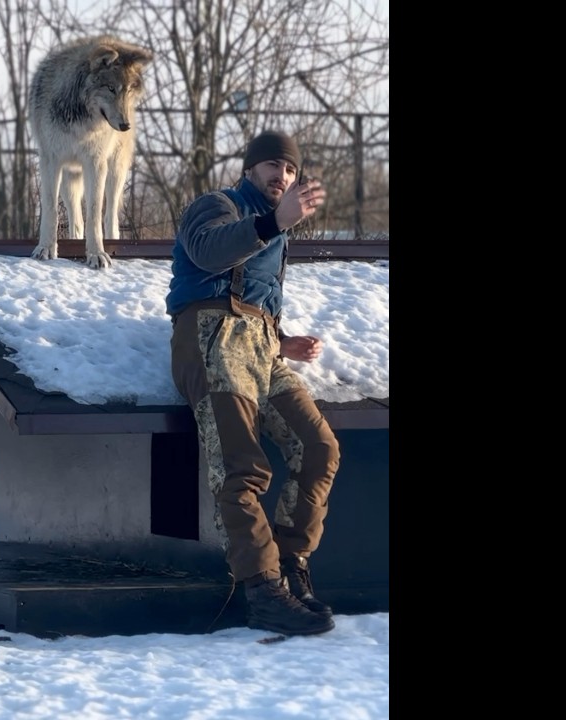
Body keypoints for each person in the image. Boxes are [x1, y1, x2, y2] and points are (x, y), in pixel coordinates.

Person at [166, 130, 341, 637]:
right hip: (212, 335)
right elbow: (206, 253)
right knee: (242, 466)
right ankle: (263, 591)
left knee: (319, 447)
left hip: (260, 346)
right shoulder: (217, 206)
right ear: (249, 170)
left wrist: (280, 339)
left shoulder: (276, 231)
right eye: (271, 166)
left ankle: (288, 566)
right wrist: (272, 221)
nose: (281, 176)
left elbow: (254, 296)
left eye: (289, 170)